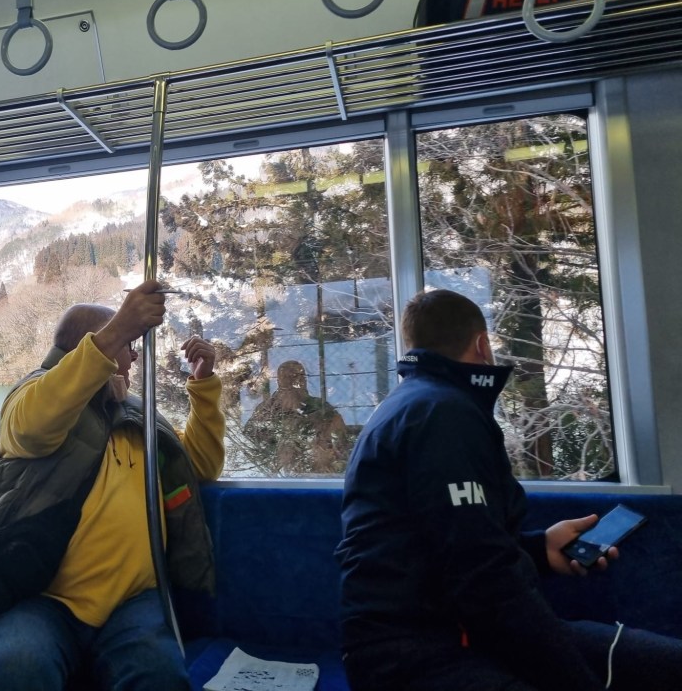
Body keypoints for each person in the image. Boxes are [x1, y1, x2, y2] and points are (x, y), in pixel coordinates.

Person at [335, 288, 682, 691]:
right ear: (482, 344)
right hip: (414, 655)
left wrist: (539, 549)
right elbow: (482, 579)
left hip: (454, 634)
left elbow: (450, 544)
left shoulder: (414, 405)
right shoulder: (443, 415)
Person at [0, 279, 225, 691]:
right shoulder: (32, 399)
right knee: (19, 670)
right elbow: (32, 427)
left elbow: (201, 466)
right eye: (128, 345)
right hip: (38, 600)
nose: (134, 356)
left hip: (132, 602)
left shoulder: (137, 415)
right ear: (89, 347)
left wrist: (203, 386)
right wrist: (118, 329)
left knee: (159, 677)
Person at [242, 360, 349, 474]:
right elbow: (250, 440)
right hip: (278, 474)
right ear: (279, 381)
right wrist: (276, 450)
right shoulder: (267, 408)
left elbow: (340, 440)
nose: (296, 381)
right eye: (289, 377)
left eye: (301, 376)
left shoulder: (320, 406)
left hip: (318, 473)